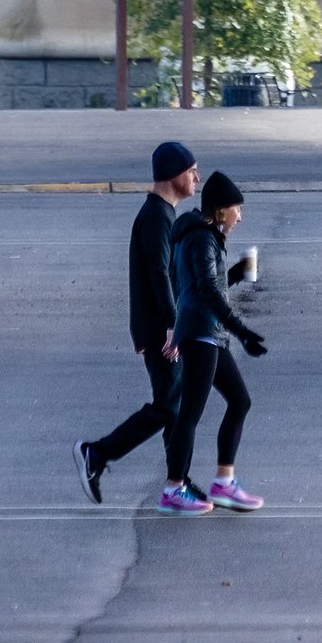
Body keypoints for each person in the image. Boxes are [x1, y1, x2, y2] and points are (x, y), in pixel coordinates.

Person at [76, 139, 199, 503]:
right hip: (162, 330)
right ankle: (97, 453)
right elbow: (158, 273)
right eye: (192, 171)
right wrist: (173, 326)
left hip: (163, 327)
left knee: (173, 408)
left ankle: (178, 483)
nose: (197, 178)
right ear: (175, 175)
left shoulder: (162, 214)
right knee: (167, 407)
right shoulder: (157, 216)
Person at [160, 169, 267, 514]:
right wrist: (243, 331)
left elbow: (192, 285)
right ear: (221, 210)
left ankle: (224, 483)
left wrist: (233, 273)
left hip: (204, 332)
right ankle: (174, 489)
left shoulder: (200, 236)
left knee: (240, 401)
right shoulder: (202, 238)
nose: (241, 216)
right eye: (237, 209)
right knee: (190, 414)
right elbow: (205, 292)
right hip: (204, 334)